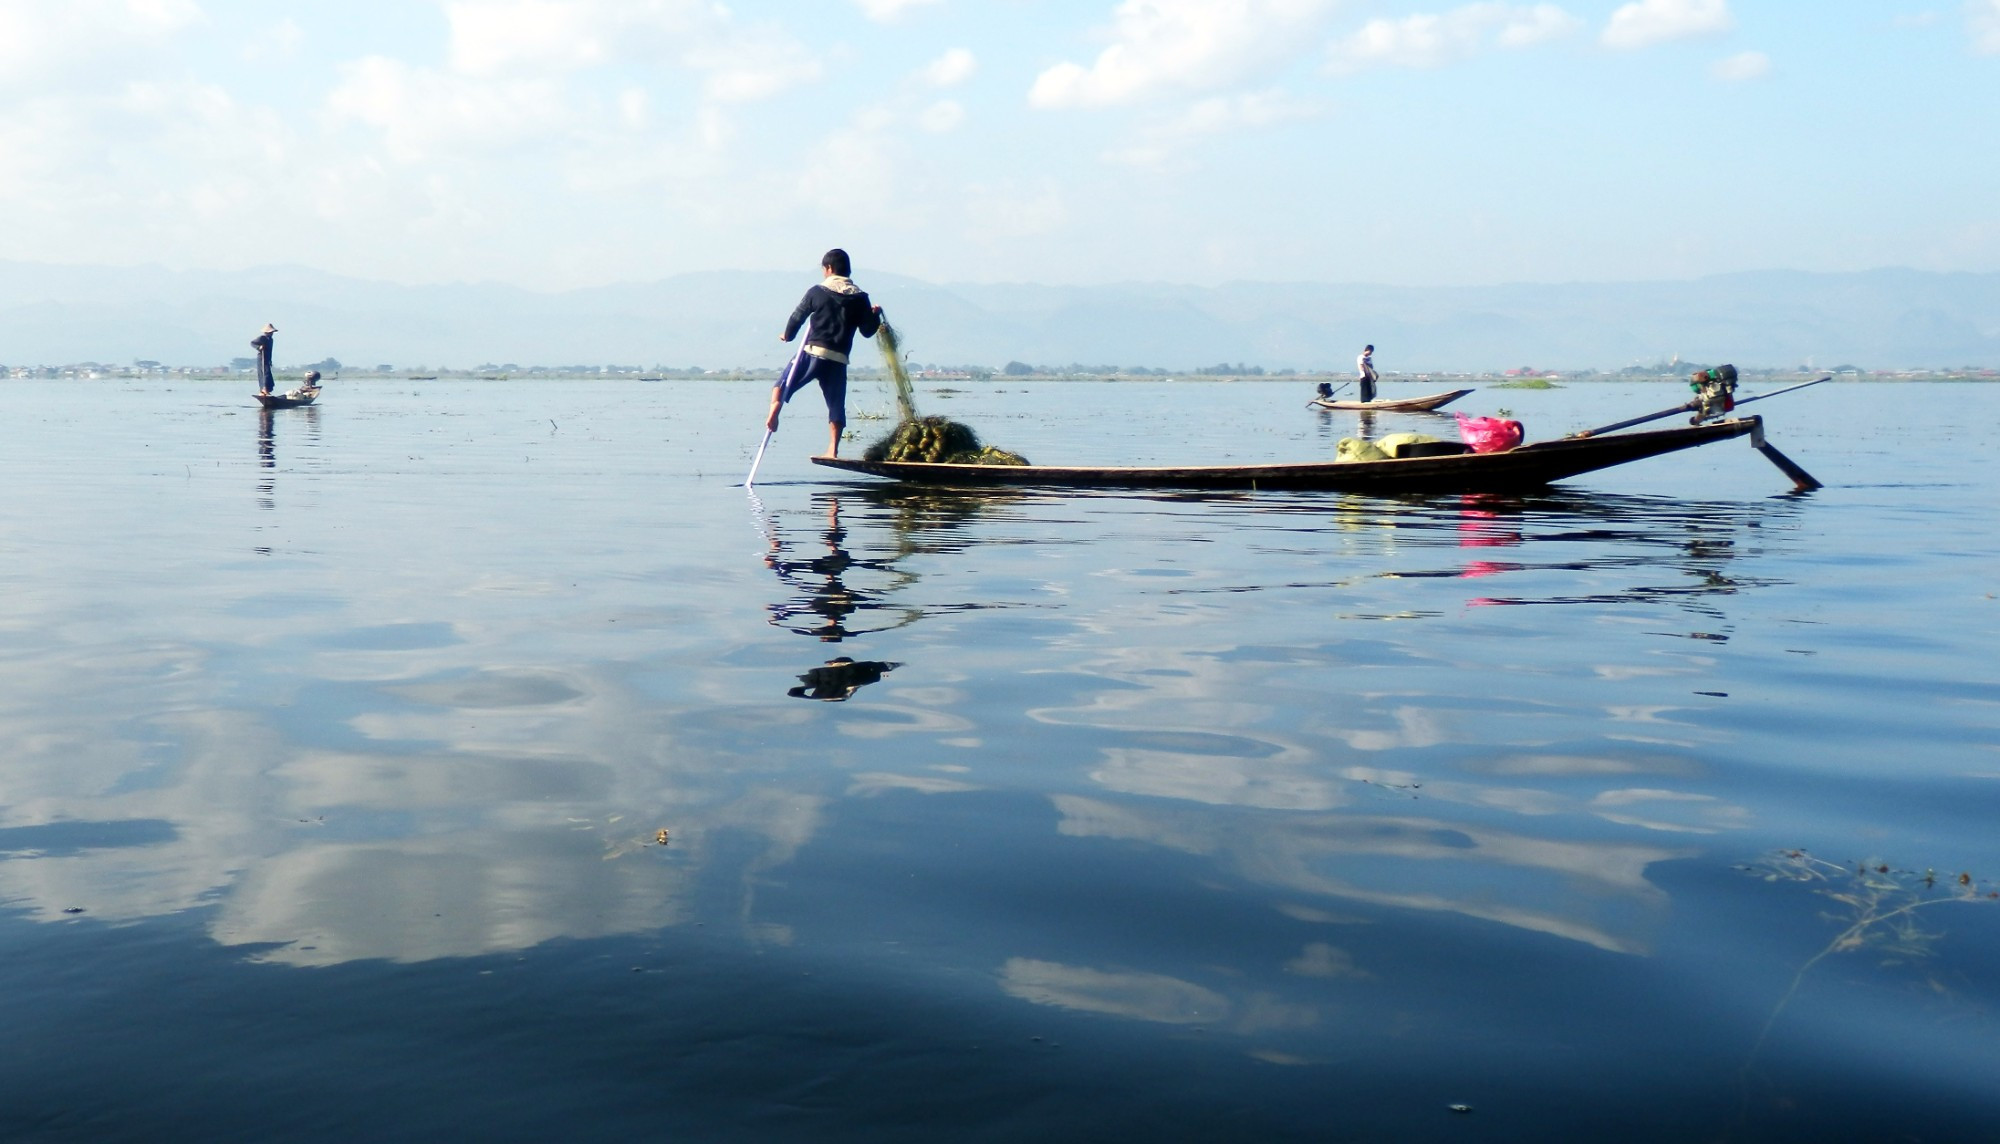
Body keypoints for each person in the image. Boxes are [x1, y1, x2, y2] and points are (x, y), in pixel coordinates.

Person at [765, 249, 882, 459]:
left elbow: (797, 317)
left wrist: (788, 335)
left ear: (828, 269)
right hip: (838, 359)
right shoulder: (860, 298)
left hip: (812, 352)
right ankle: (833, 449)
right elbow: (867, 331)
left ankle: (775, 410)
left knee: (780, 386)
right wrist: (875, 316)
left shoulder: (817, 291)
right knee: (836, 405)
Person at [251, 323, 277, 394]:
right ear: (267, 332)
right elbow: (252, 343)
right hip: (261, 357)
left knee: (268, 374)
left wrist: (270, 360)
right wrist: (259, 347)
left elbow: (270, 351)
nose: (272, 333)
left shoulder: (271, 340)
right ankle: (263, 389)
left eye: (272, 332)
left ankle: (267, 389)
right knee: (264, 373)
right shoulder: (262, 338)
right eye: (270, 332)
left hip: (267, 358)